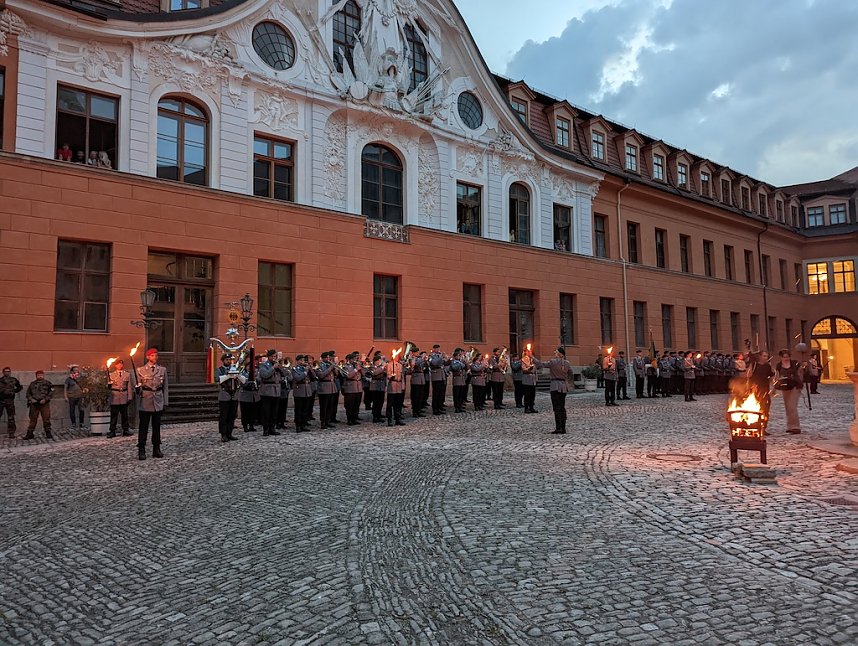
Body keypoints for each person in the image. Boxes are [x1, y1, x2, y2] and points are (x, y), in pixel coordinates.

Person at [136, 348, 168, 460]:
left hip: (158, 401)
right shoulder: (140, 370)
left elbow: (165, 387)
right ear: (148, 357)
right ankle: (141, 449)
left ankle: (156, 448)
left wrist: (165, 402)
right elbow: (138, 386)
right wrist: (137, 389)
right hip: (146, 401)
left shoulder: (162, 370)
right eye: (153, 355)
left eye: (156, 355)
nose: (155, 357)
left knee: (156, 426)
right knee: (143, 427)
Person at [536, 347, 571, 434]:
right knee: (562, 407)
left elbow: (541, 364)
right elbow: (569, 373)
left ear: (560, 354)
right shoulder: (567, 363)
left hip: (555, 386)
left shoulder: (553, 362)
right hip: (563, 386)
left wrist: (531, 357)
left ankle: (558, 428)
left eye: (556, 352)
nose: (554, 354)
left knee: (556, 407)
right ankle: (563, 427)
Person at [775, 349, 804, 434]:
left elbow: (800, 374)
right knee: (788, 407)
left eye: (787, 357)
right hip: (785, 387)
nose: (786, 358)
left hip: (795, 386)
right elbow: (777, 376)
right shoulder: (779, 365)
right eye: (784, 357)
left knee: (792, 406)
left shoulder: (795, 364)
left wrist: (800, 383)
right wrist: (776, 385)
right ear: (781, 357)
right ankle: (790, 426)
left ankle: (796, 427)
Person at [215, 353, 241, 443]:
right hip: (225, 394)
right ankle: (223, 434)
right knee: (224, 416)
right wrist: (228, 376)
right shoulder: (219, 370)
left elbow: (242, 380)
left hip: (234, 394)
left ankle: (229, 433)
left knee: (232, 415)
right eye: (227, 360)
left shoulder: (234, 369)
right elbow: (217, 379)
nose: (229, 361)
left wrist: (237, 376)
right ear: (223, 361)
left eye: (229, 360)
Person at [257, 349, 282, 436]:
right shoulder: (263, 365)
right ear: (269, 357)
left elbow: (285, 374)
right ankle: (266, 429)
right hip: (267, 391)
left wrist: (280, 368)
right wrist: (273, 368)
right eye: (272, 356)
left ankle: (272, 428)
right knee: (266, 412)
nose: (274, 358)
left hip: (276, 390)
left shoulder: (277, 365)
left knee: (274, 412)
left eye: (275, 356)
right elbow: (265, 375)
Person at [107, 359, 134, 438]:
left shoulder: (127, 374)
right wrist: (108, 385)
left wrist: (130, 397)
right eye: (118, 364)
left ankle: (125, 430)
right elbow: (108, 387)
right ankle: (112, 431)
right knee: (114, 415)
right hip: (115, 397)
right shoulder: (111, 375)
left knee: (125, 415)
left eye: (121, 364)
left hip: (124, 397)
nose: (120, 365)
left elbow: (129, 386)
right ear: (115, 365)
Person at [24, 370, 54, 439]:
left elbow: (52, 393)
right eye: (38, 375)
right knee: (33, 420)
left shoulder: (48, 383)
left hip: (44, 404)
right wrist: (31, 399)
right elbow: (28, 394)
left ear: (43, 375)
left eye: (41, 375)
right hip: (34, 404)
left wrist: (45, 399)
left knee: (46, 419)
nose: (40, 376)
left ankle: (48, 432)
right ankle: (30, 433)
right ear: (36, 376)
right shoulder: (32, 384)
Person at [747, 350, 774, 419]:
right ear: (760, 356)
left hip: (765, 389)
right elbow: (749, 375)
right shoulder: (754, 365)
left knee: (766, 405)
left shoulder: (767, 366)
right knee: (756, 405)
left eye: (767, 356)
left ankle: (764, 420)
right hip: (755, 389)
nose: (766, 358)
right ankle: (756, 420)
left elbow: (771, 376)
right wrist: (751, 365)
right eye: (764, 356)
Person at [315, 351, 337, 430]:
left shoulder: (329, 365)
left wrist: (334, 368)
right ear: (323, 358)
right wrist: (330, 368)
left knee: (329, 406)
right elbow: (321, 375)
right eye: (327, 358)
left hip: (331, 387)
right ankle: (323, 422)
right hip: (324, 387)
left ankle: (328, 420)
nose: (328, 359)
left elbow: (336, 374)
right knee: (324, 406)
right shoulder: (319, 365)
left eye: (329, 357)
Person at [291, 355, 313, 432]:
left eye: (303, 360)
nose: (303, 362)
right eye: (301, 360)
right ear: (297, 361)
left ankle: (303, 424)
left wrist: (310, 369)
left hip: (307, 391)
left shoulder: (306, 368)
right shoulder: (295, 369)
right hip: (299, 391)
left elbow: (314, 377)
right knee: (298, 409)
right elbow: (297, 378)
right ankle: (298, 425)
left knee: (305, 409)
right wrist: (305, 372)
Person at [0, 366, 23, 438]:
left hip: (10, 401)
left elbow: (20, 387)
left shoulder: (13, 380)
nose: (7, 373)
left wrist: (14, 391)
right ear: (3, 372)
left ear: (10, 372)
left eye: (8, 371)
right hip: (1, 401)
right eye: (5, 371)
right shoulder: (0, 380)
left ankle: (11, 432)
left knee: (11, 417)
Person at [342, 352, 364, 426]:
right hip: (350, 388)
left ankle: (354, 418)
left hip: (358, 388)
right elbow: (348, 376)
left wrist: (360, 369)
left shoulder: (356, 366)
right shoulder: (345, 367)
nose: (354, 360)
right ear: (349, 359)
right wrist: (355, 370)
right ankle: (349, 419)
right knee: (350, 405)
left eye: (355, 359)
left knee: (356, 404)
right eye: (353, 359)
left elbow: (363, 375)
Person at [385, 352, 406, 426]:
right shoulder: (389, 365)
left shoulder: (400, 365)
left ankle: (398, 419)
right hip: (392, 385)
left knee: (398, 404)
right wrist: (391, 376)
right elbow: (387, 375)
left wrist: (403, 386)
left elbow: (402, 376)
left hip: (399, 386)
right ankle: (389, 419)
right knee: (390, 404)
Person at [238, 364, 260, 433]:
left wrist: (256, 376)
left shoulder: (256, 374)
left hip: (253, 395)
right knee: (245, 412)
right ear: (246, 367)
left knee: (253, 412)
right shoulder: (243, 374)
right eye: (249, 366)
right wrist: (250, 382)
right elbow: (242, 383)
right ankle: (245, 426)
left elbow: (259, 381)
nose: (250, 368)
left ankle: (251, 425)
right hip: (245, 395)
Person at [64, 366, 86, 431]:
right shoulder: (68, 379)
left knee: (81, 410)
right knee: (72, 410)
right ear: (72, 371)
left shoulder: (80, 379)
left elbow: (84, 386)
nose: (77, 371)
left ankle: (81, 423)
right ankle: (73, 424)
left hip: (80, 396)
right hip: (72, 396)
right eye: (75, 370)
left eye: (77, 370)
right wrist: (65, 396)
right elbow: (65, 388)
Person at [429, 345, 449, 415]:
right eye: (437, 349)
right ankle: (435, 409)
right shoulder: (432, 356)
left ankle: (440, 407)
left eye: (438, 348)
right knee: (436, 393)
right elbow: (434, 363)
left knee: (441, 393)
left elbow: (445, 363)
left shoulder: (440, 356)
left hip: (442, 376)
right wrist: (441, 358)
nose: (438, 350)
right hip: (436, 376)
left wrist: (446, 359)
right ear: (434, 349)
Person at [369, 352, 387, 422]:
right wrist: (382, 368)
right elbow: (375, 373)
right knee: (375, 402)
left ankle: (379, 415)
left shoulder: (381, 367)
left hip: (381, 386)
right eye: (379, 360)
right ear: (376, 361)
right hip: (375, 386)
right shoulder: (372, 366)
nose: (381, 362)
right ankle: (375, 416)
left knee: (381, 402)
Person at [409, 347, 426, 417]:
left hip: (421, 378)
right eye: (416, 352)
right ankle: (415, 411)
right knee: (415, 396)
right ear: (413, 353)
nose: (417, 353)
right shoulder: (412, 358)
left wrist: (425, 361)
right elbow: (414, 364)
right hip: (416, 379)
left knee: (420, 396)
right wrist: (422, 359)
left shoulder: (419, 358)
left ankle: (419, 410)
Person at [450, 349, 468, 413]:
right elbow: (454, 368)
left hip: (462, 380)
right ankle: (456, 407)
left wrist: (465, 363)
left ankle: (460, 406)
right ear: (455, 356)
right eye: (458, 356)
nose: (459, 357)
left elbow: (465, 367)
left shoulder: (460, 362)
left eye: (459, 356)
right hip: (457, 379)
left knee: (461, 394)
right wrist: (460, 363)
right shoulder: (453, 362)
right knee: (456, 395)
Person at [520, 348, 538, 414]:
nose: (530, 352)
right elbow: (523, 369)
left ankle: (531, 407)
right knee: (527, 394)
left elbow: (536, 369)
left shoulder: (533, 359)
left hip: (533, 379)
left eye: (530, 351)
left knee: (532, 394)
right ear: (525, 352)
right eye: (528, 351)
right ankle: (526, 408)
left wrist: (536, 378)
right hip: (527, 378)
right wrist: (529, 368)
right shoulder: (523, 359)